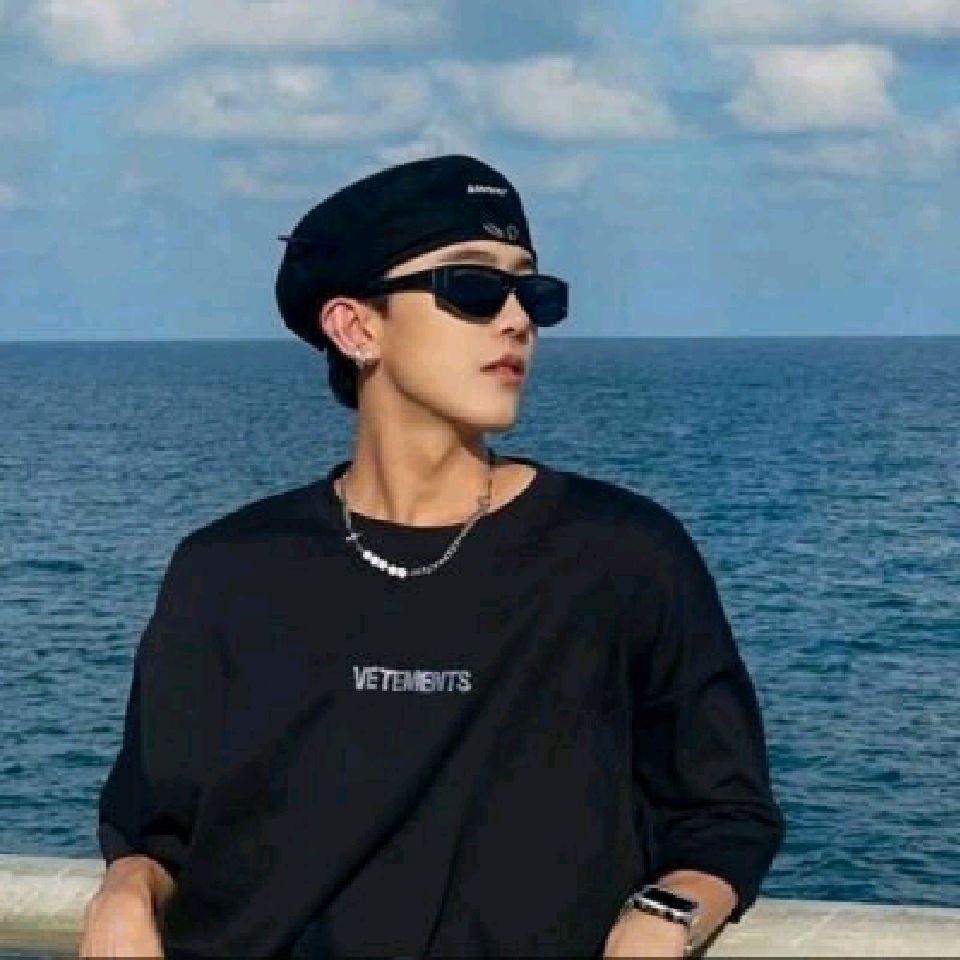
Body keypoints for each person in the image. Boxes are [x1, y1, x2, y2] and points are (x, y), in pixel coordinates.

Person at [80, 154, 786, 959]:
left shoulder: (623, 556)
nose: (516, 319)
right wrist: (124, 889)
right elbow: (157, 828)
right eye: (473, 287)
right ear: (355, 327)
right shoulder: (226, 570)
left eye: (533, 292)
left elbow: (726, 813)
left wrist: (663, 914)